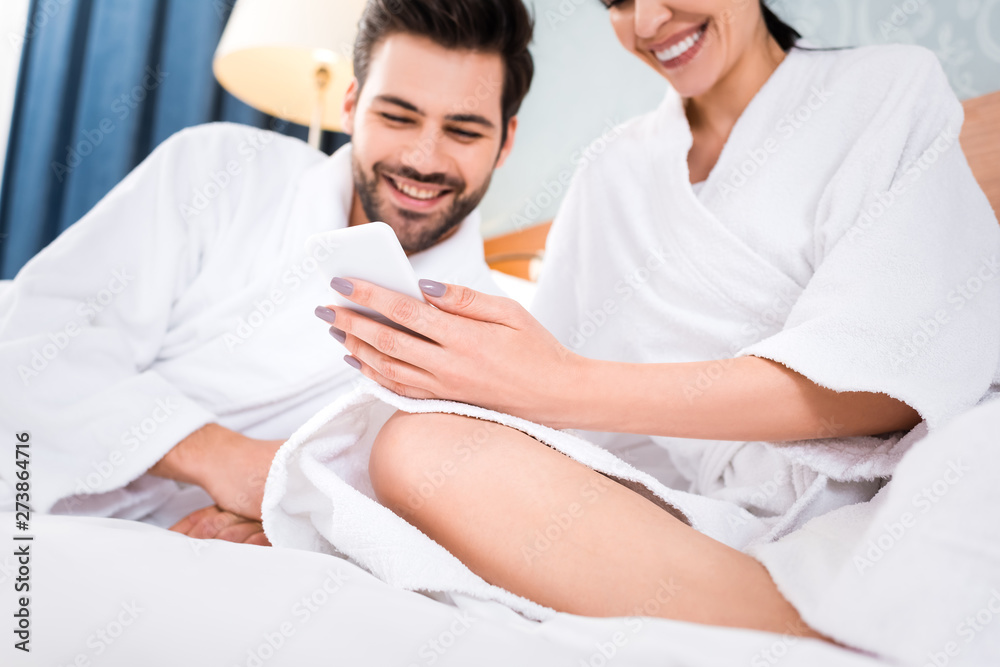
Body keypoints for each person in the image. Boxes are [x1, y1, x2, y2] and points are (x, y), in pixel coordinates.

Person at [318, 0, 1000, 635]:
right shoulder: (611, 174)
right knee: (415, 449)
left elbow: (894, 378)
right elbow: (554, 428)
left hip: (895, 494)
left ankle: (823, 626)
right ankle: (811, 624)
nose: (646, 20)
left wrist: (561, 384)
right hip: (704, 534)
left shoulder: (886, 90)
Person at [0, 0, 535, 544]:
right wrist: (220, 458)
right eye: (397, 117)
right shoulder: (218, 169)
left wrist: (296, 528)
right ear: (350, 105)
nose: (422, 159)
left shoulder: (495, 345)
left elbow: (434, 513)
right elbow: (36, 339)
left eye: (463, 131)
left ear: (507, 141)